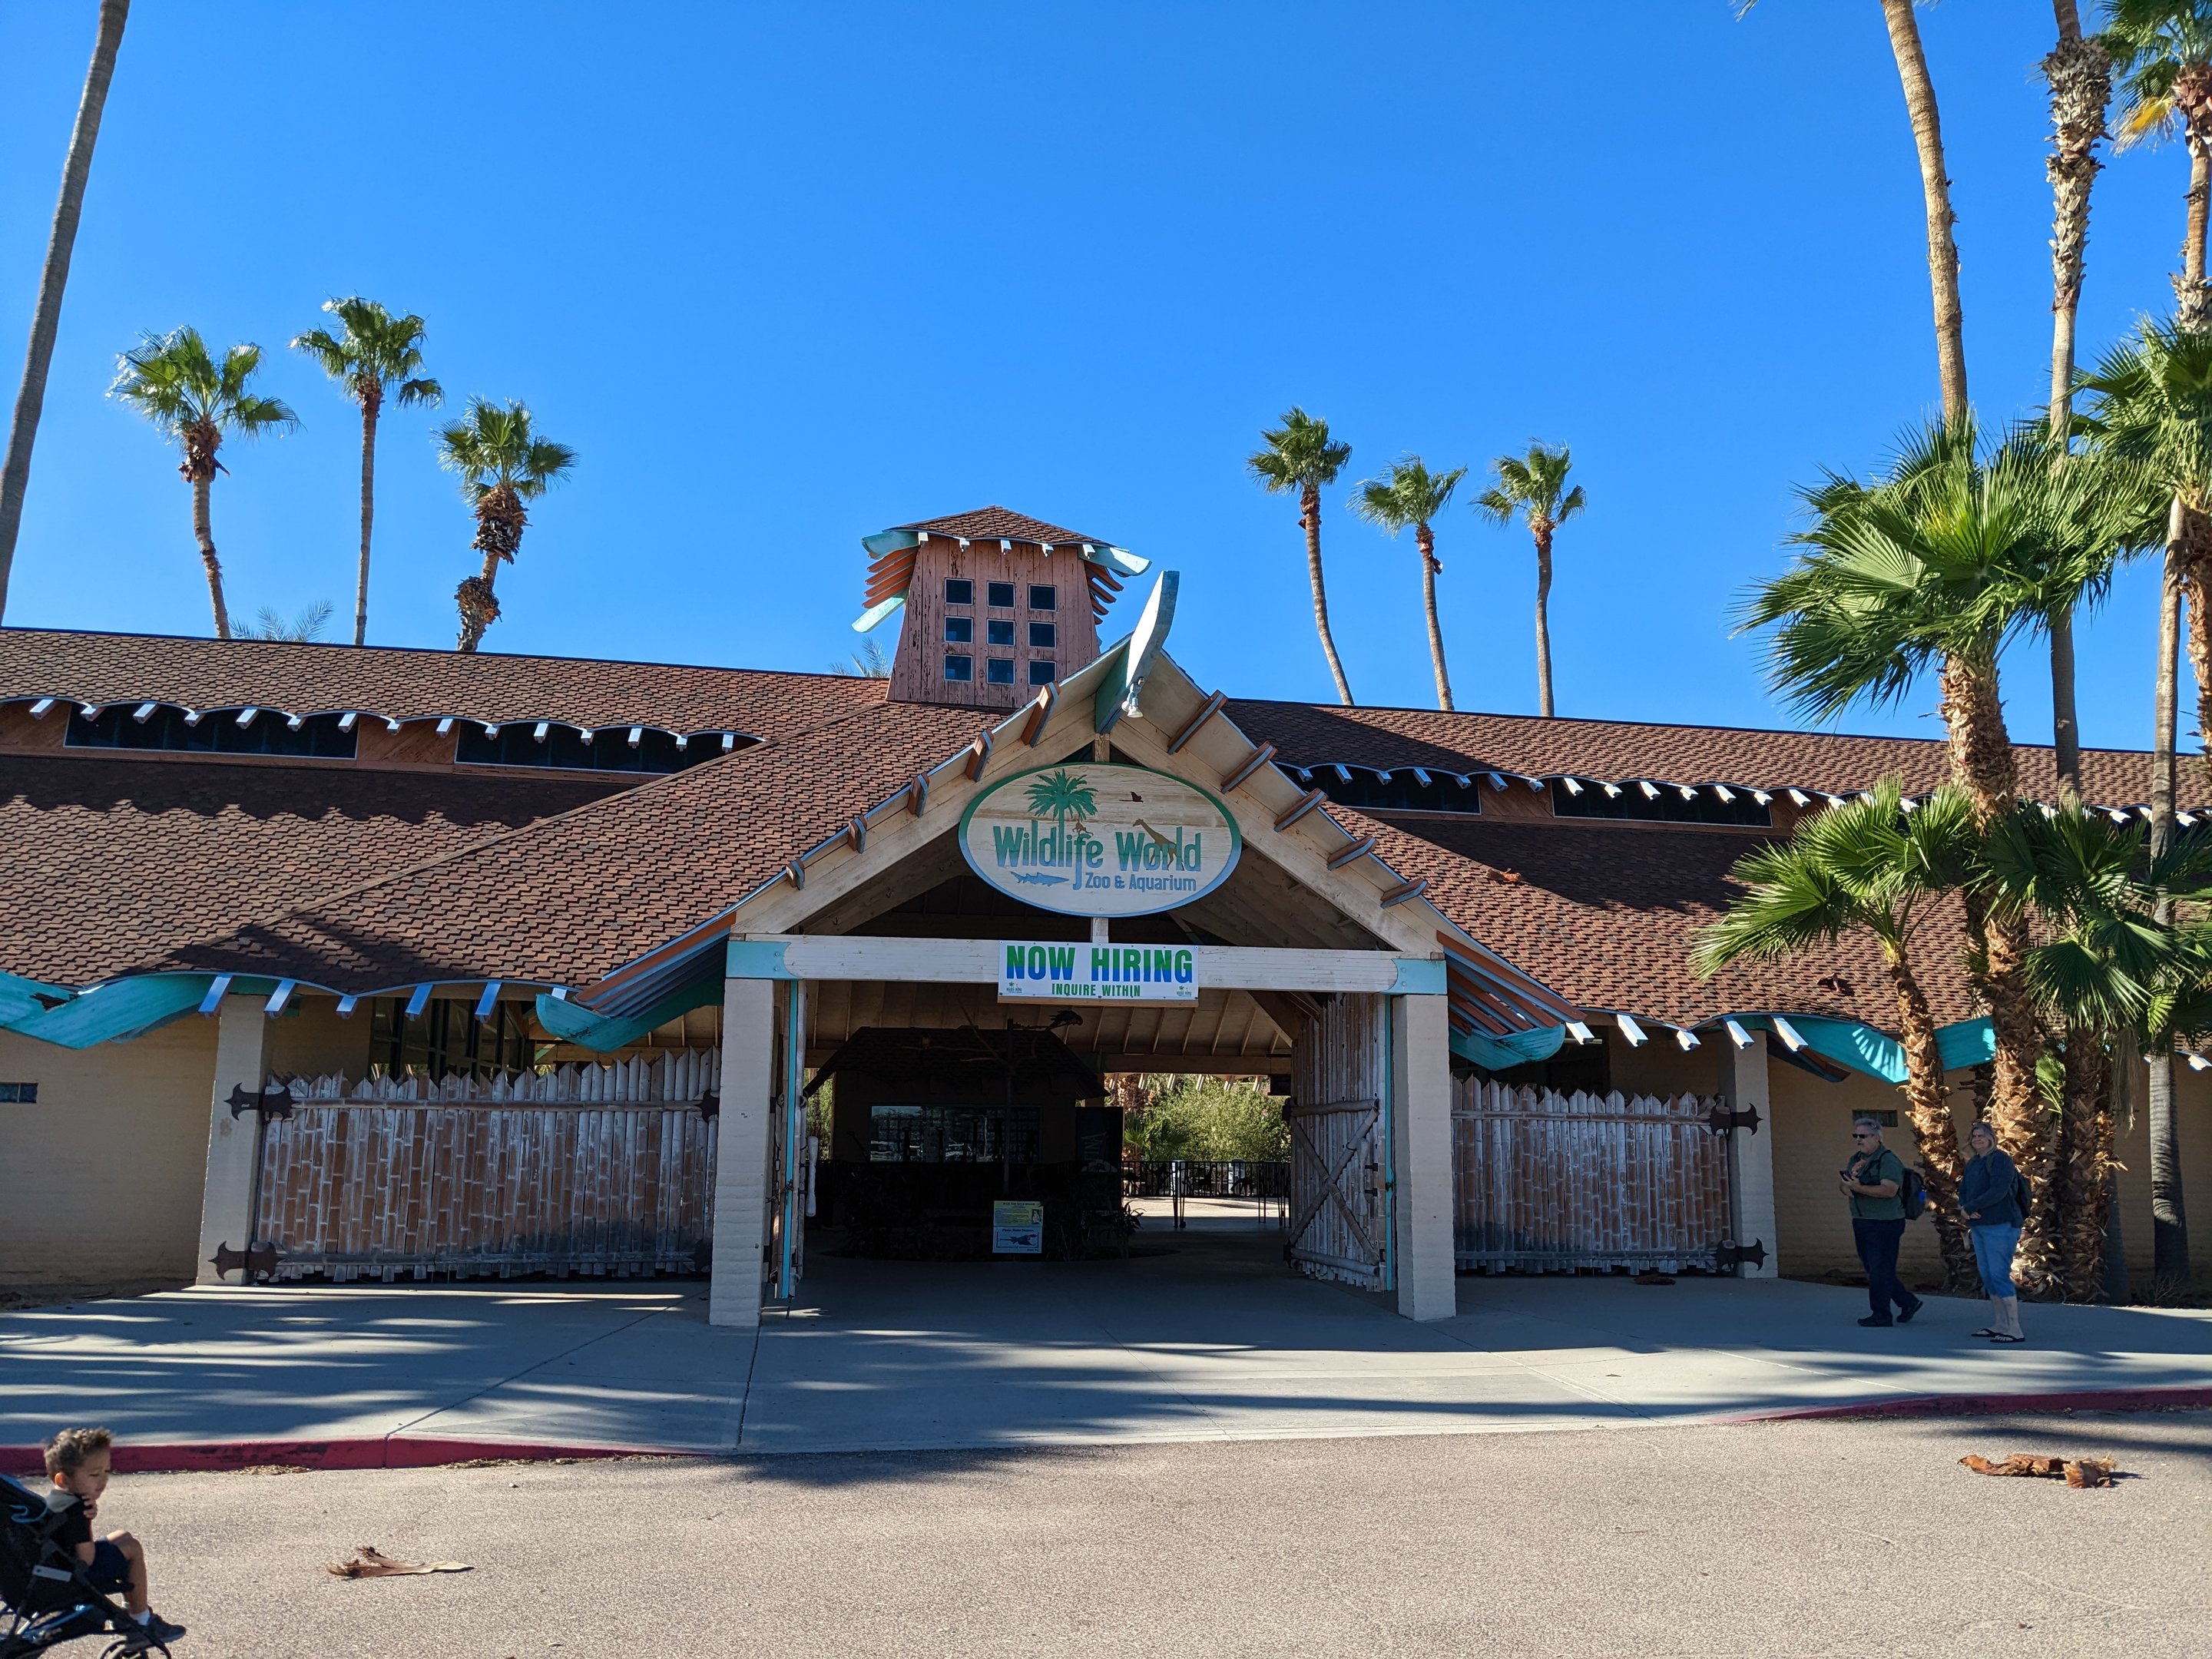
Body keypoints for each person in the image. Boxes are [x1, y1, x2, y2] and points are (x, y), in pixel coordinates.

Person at [44, 1426, 187, 1644]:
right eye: (94, 1474)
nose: (102, 1481)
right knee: (132, 1549)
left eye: (106, 1472)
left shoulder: (55, 1500)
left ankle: (135, 1614)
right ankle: (140, 1621)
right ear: (63, 1480)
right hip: (74, 1576)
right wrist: (85, 1522)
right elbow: (87, 1559)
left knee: (123, 1536)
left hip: (56, 1567)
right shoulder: (75, 1508)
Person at [1839, 1116, 1922, 1328]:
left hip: (1885, 1222)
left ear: (1876, 1137)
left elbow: (1889, 1190)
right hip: (1862, 1220)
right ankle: (1908, 1302)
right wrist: (1849, 1182)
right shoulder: (1856, 1159)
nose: (1858, 1140)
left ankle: (1881, 1315)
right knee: (1875, 1268)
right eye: (1855, 1136)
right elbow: (1844, 1188)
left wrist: (1858, 1188)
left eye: (1863, 1136)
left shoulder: (1888, 1160)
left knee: (1880, 1270)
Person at [1958, 1121, 2026, 1344]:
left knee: (1999, 1273)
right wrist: (1966, 1208)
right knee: (1987, 1275)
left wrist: (1972, 1207)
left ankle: (2015, 1328)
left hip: (2002, 1224)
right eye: (1974, 1135)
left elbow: (1999, 1190)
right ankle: (2000, 1324)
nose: (1977, 1139)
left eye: (1982, 1135)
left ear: (1991, 1138)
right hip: (1979, 1226)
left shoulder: (2001, 1160)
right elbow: (1964, 1190)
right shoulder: (1974, 1163)